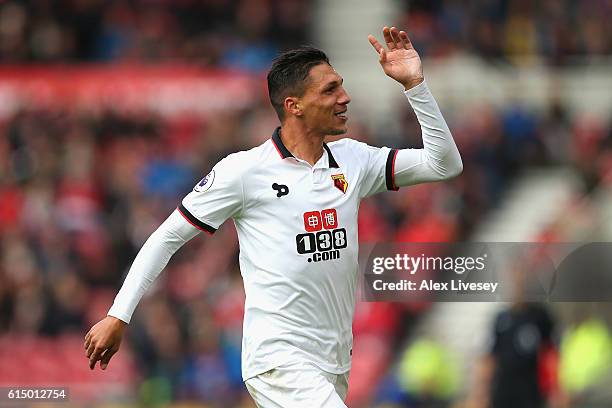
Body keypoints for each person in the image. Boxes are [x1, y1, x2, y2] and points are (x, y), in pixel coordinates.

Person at [84, 26, 462, 407]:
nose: (345, 97)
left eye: (341, 86)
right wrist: (119, 315)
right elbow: (166, 237)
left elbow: (443, 164)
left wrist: (415, 85)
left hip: (333, 358)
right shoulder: (244, 172)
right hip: (278, 358)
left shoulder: (354, 159)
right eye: (330, 90)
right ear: (294, 105)